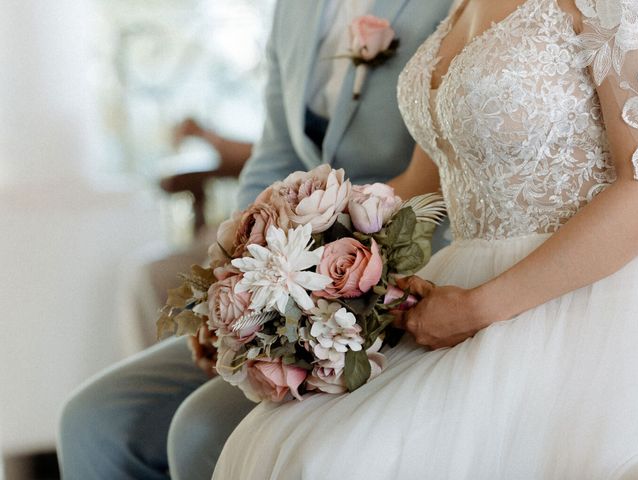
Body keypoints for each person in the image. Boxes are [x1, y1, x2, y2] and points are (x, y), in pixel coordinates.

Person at [212, 0, 638, 478]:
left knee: (329, 462)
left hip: (571, 300)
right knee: (271, 441)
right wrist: (292, 253)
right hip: (456, 283)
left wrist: (479, 308)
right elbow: (428, 175)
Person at [57, 1, 453, 478]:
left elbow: (448, 168)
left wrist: (315, 275)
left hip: (404, 277)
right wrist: (229, 289)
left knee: (202, 432)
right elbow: (274, 156)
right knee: (95, 420)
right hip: (284, 281)